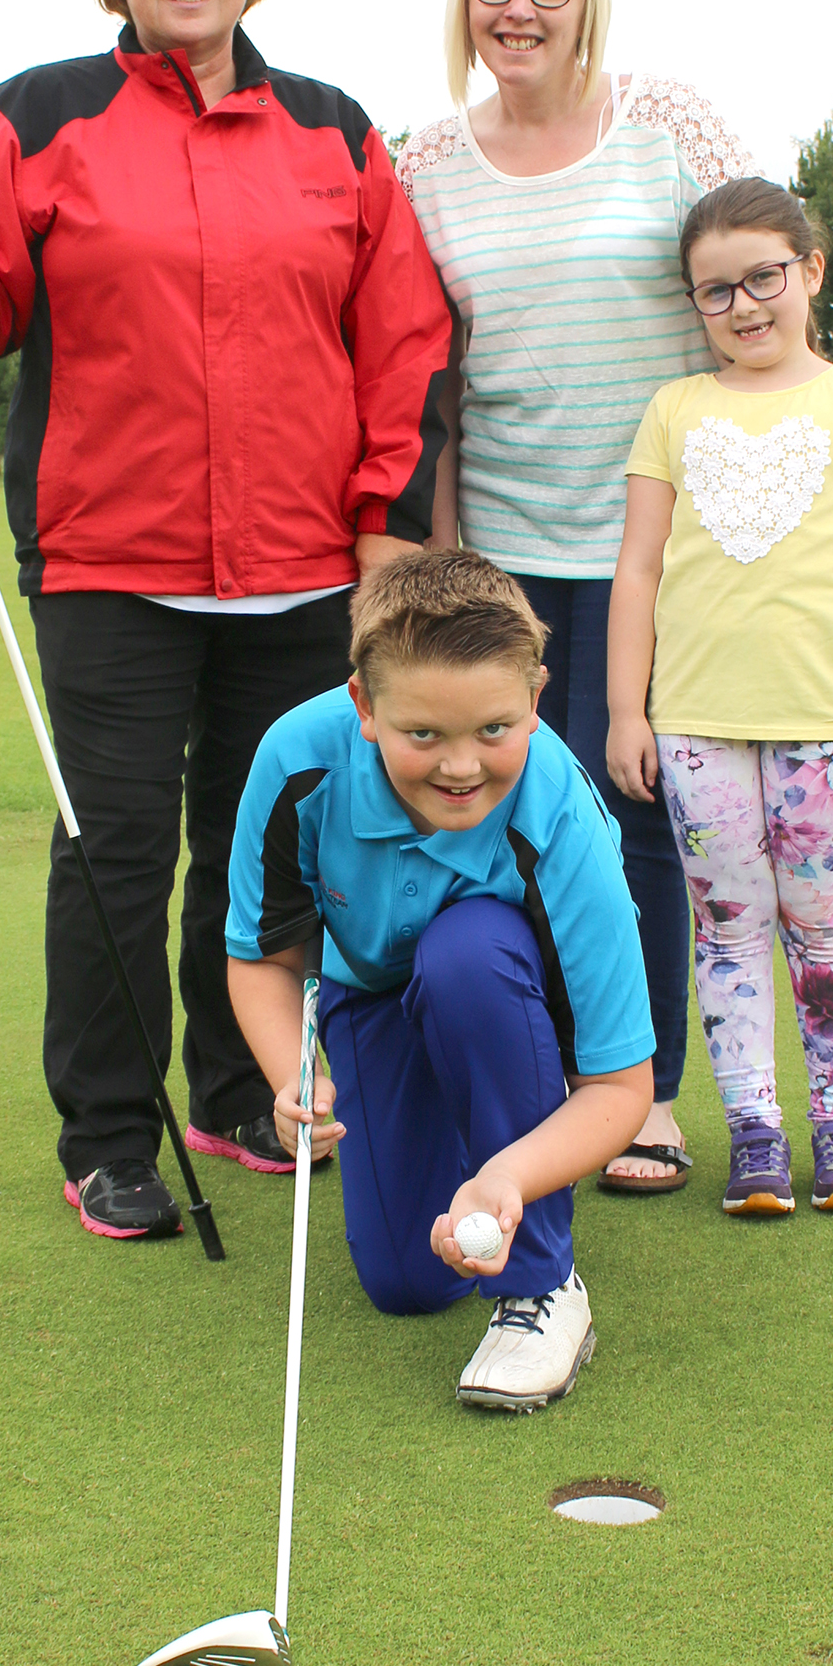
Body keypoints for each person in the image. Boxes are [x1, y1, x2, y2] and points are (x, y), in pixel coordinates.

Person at [0, 0, 450, 1240]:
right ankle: (109, 1135)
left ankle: (238, 1092)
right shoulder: (38, 113)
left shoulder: (335, 130)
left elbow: (403, 336)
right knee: (115, 849)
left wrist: (384, 534)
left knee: (266, 853)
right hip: (109, 564)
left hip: (302, 572)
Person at [396, 0, 759, 1197]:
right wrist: (428, 567)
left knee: (634, 820)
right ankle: (521, 1081)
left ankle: (642, 1094)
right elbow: (417, 374)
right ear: (466, 1)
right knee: (498, 821)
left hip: (655, 554)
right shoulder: (421, 160)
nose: (520, 9)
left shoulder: (670, 127)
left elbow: (755, 285)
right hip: (497, 560)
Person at [226, 551, 654, 1411]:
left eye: (494, 729)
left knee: (468, 953)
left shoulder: (561, 813)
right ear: (365, 708)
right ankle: (471, 1133)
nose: (462, 767)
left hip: (500, 993)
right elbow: (260, 958)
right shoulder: (296, 761)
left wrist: (513, 1178)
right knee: (409, 1282)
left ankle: (543, 1285)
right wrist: (292, 1074)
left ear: (536, 697)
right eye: (424, 734)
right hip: (369, 989)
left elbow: (620, 1086)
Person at [607, 177, 833, 1214]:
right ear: (694, 304)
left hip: (829, 727)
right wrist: (627, 710)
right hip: (697, 724)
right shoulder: (676, 408)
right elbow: (640, 570)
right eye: (717, 291)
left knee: (822, 924)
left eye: (764, 278)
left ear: (810, 271)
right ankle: (754, 1128)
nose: (746, 305)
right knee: (730, 930)